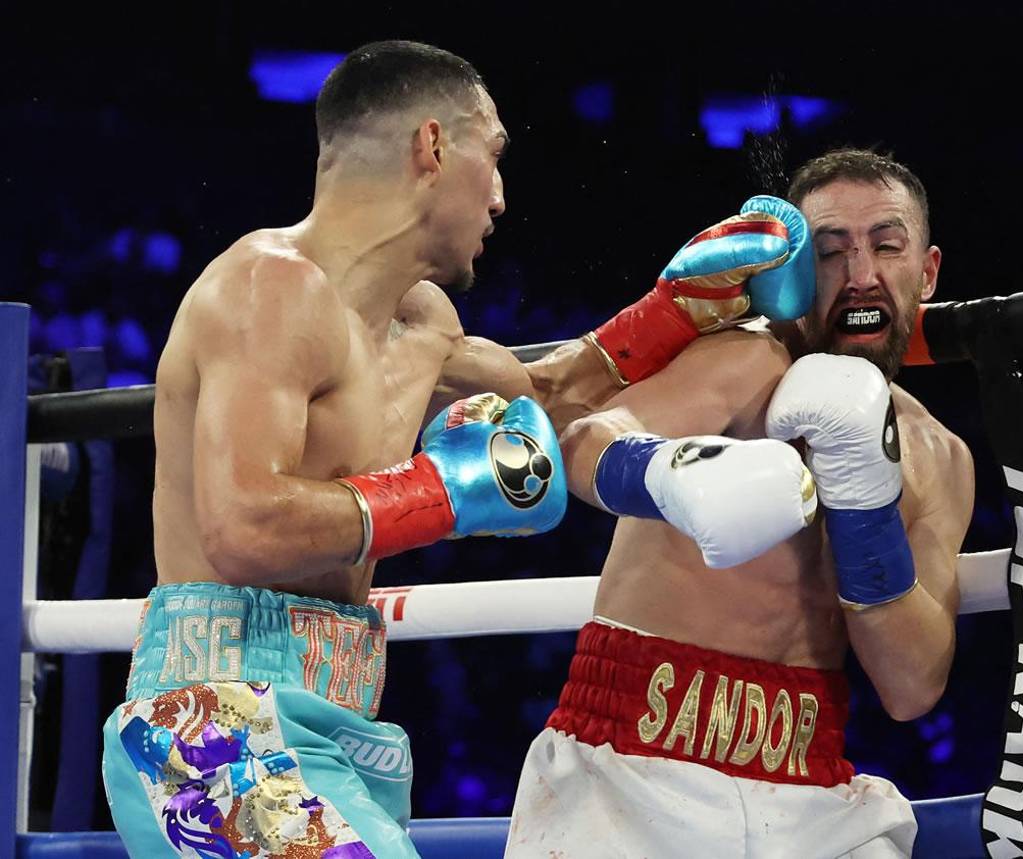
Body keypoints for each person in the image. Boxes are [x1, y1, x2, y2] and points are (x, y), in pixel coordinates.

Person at [98, 40, 820, 858]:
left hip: (336, 721)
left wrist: (675, 309)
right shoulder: (269, 287)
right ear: (433, 147)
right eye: (495, 154)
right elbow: (242, 527)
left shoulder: (422, 322)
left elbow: (545, 399)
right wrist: (441, 492)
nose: (501, 196)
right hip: (214, 726)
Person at [507, 148, 976, 859]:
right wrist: (668, 474)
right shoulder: (744, 361)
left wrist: (865, 510)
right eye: (830, 253)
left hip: (811, 788)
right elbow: (585, 440)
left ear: (928, 271)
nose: (860, 275)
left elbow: (912, 686)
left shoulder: (939, 457)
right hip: (632, 764)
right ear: (796, 273)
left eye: (886, 246)